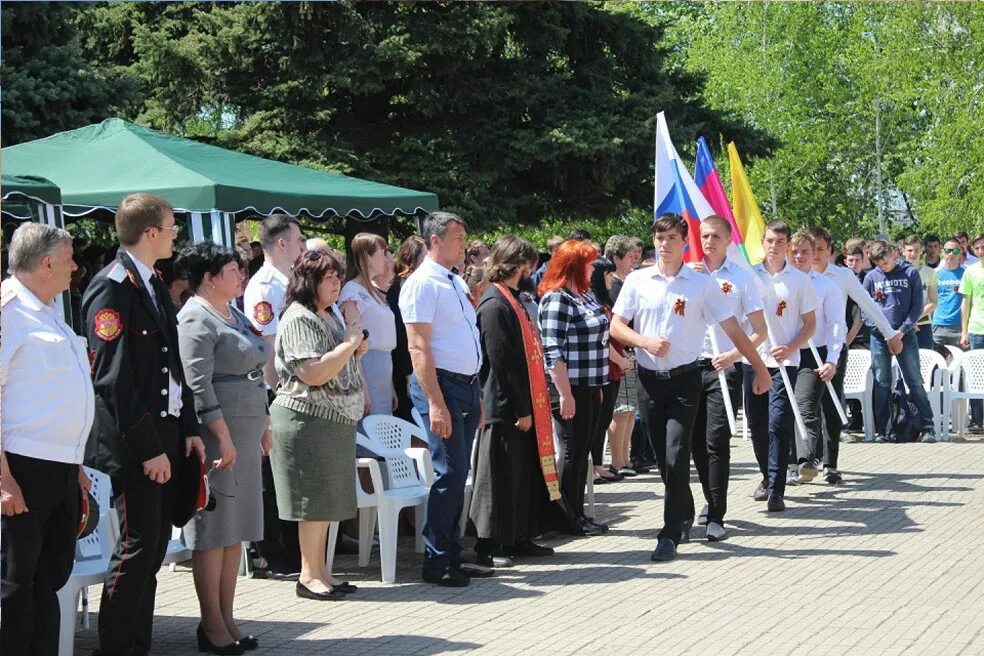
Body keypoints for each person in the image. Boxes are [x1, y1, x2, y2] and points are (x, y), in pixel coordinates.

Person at [82, 193, 206, 656]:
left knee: (152, 549)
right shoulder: (112, 285)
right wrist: (148, 447)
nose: (176, 234)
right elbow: (113, 377)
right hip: (139, 442)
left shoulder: (150, 280)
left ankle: (137, 644)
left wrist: (188, 426)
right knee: (136, 550)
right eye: (172, 227)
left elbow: (171, 365)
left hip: (166, 433)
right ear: (151, 231)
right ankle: (115, 648)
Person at [611, 213, 771, 561]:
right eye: (658, 238)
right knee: (662, 458)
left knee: (677, 452)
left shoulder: (701, 286)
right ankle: (683, 507)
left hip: (686, 380)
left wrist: (760, 369)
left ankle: (669, 534)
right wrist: (644, 342)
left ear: (685, 241)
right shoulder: (638, 281)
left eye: (670, 238)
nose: (664, 244)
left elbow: (734, 329)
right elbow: (616, 327)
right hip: (650, 381)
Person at [1, 223, 95, 656]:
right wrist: (3, 479)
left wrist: (73, 465)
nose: (76, 267)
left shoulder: (50, 309)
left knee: (49, 579)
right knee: (14, 585)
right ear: (46, 263)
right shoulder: (8, 311)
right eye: (70, 258)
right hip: (20, 468)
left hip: (58, 468)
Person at [176, 243, 271, 653]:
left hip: (246, 430)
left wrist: (264, 422)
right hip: (219, 434)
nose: (241, 275)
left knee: (236, 530)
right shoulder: (195, 317)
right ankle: (210, 623)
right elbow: (198, 386)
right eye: (234, 268)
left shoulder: (233, 313)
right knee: (214, 530)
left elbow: (255, 367)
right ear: (210, 276)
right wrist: (225, 437)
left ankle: (227, 617)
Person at [270, 250, 367, 600]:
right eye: (329, 278)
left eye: (338, 277)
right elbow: (313, 372)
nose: (337, 283)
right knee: (311, 502)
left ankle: (322, 570)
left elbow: (338, 360)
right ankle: (308, 575)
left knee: (325, 501)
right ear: (309, 281)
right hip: (306, 419)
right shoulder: (298, 318)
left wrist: (353, 348)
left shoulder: (327, 314)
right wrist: (351, 343)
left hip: (332, 421)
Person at [400, 212, 490, 587]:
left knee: (458, 474)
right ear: (435, 241)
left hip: (466, 385)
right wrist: (435, 403)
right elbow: (418, 346)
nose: (463, 243)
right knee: (450, 472)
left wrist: (478, 396)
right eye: (457, 237)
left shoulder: (452, 280)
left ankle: (451, 553)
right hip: (442, 387)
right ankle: (436, 560)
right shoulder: (422, 284)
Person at [470, 236, 558, 568]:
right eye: (528, 265)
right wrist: (522, 407)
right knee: (498, 478)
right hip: (503, 406)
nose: (530, 271)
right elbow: (502, 360)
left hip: (519, 404)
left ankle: (519, 536)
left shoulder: (510, 298)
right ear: (518, 265)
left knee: (520, 475)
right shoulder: (494, 303)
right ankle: (490, 543)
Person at [687, 216, 767, 541]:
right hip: (690, 368)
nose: (709, 242)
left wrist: (734, 356)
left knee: (717, 439)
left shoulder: (742, 278)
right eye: (704, 236)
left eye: (715, 236)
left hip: (725, 370)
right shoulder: (687, 275)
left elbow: (760, 331)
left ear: (728, 239)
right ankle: (709, 499)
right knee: (695, 444)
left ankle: (716, 515)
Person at [243, 214, 305, 578]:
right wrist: (276, 394)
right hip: (276, 391)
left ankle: (291, 550)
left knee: (288, 474)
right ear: (281, 243)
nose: (300, 246)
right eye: (297, 240)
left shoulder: (289, 281)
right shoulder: (264, 285)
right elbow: (267, 346)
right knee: (270, 475)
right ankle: (271, 553)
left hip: (294, 390)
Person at [740, 221, 816, 514]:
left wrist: (791, 347)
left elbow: (810, 324)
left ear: (788, 244)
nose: (774, 246)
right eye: (770, 240)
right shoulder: (749, 276)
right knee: (757, 426)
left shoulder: (799, 280)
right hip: (752, 358)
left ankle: (776, 488)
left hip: (783, 363)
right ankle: (766, 475)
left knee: (778, 424)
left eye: (780, 241)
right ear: (763, 241)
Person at [538, 240, 612, 536]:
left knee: (583, 450)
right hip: (570, 387)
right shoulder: (558, 298)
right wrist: (566, 394)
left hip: (589, 384)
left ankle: (577, 513)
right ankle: (568, 516)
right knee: (574, 450)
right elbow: (552, 350)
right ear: (574, 266)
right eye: (589, 263)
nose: (594, 268)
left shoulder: (582, 295)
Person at [812, 229, 903, 442]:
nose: (815, 254)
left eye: (820, 249)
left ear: (831, 251)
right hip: (804, 346)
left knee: (831, 401)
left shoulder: (843, 276)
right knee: (807, 403)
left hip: (834, 347)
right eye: (811, 249)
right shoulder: (798, 275)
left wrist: (889, 333)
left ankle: (830, 458)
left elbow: (867, 304)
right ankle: (807, 456)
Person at [864, 240, 938, 443]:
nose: (883, 266)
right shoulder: (871, 277)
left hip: (906, 333)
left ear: (893, 254)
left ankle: (927, 426)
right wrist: (886, 332)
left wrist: (901, 331)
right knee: (882, 382)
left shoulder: (910, 273)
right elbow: (866, 310)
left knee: (914, 380)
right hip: (880, 336)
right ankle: (882, 429)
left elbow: (916, 307)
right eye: (878, 264)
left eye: (885, 262)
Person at [788, 231, 845, 486]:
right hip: (788, 352)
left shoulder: (826, 286)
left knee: (818, 408)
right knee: (789, 408)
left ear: (815, 255)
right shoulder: (780, 284)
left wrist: (832, 358)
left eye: (806, 252)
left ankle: (823, 462)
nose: (800, 257)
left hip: (817, 353)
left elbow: (835, 324)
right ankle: (794, 462)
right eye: (795, 252)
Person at [588, 257, 635, 483]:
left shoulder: (606, 301)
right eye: (607, 274)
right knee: (599, 420)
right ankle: (594, 465)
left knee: (605, 417)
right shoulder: (593, 302)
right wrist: (620, 359)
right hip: (605, 367)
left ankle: (598, 463)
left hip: (615, 367)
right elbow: (602, 340)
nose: (610, 278)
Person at [339, 233, 397, 418]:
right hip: (367, 370)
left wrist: (391, 385)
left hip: (383, 371)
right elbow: (353, 344)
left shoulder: (370, 291)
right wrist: (363, 387)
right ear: (367, 257)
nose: (386, 259)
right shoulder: (352, 292)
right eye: (382, 253)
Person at [388, 236, 427, 422]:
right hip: (406, 365)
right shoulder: (402, 287)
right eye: (424, 257)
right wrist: (407, 371)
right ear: (412, 259)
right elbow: (402, 332)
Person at [958, 233, 984, 431]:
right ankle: (977, 419)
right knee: (977, 375)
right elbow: (965, 303)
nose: (981, 251)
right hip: (976, 329)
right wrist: (964, 332)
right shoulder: (970, 271)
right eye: (978, 248)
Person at [902, 234, 938, 350]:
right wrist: (908, 322)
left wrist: (914, 319)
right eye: (909, 250)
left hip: (923, 324)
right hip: (902, 326)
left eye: (916, 250)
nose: (913, 254)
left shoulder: (930, 272)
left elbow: (933, 302)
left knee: (927, 362)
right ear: (903, 251)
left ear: (922, 250)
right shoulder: (896, 273)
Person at [932, 238, 966, 349]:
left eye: (955, 251)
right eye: (948, 250)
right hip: (938, 325)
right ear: (942, 252)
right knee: (936, 364)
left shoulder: (966, 274)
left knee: (960, 365)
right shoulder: (934, 274)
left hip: (959, 327)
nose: (951, 254)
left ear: (960, 252)